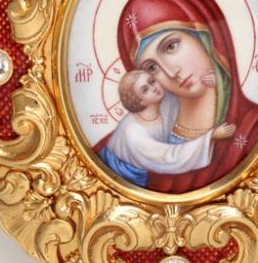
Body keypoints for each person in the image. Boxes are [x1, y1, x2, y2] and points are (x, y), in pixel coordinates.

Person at [95, 0, 258, 193]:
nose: (170, 73)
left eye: (171, 46)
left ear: (207, 38)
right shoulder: (125, 152)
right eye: (152, 68)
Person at [98, 69, 236, 187]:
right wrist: (211, 136)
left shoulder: (166, 101)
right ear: (141, 101)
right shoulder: (133, 132)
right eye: (145, 90)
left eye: (152, 81)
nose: (153, 88)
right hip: (124, 176)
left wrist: (219, 81)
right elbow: (170, 157)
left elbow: (191, 98)